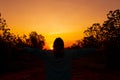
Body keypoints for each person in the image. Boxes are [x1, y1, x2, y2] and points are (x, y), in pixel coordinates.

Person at [22, 37, 96, 80]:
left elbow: (33, 51)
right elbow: (83, 51)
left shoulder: (47, 54)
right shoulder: (69, 54)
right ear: (63, 47)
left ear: (53, 46)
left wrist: (21, 49)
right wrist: (96, 50)